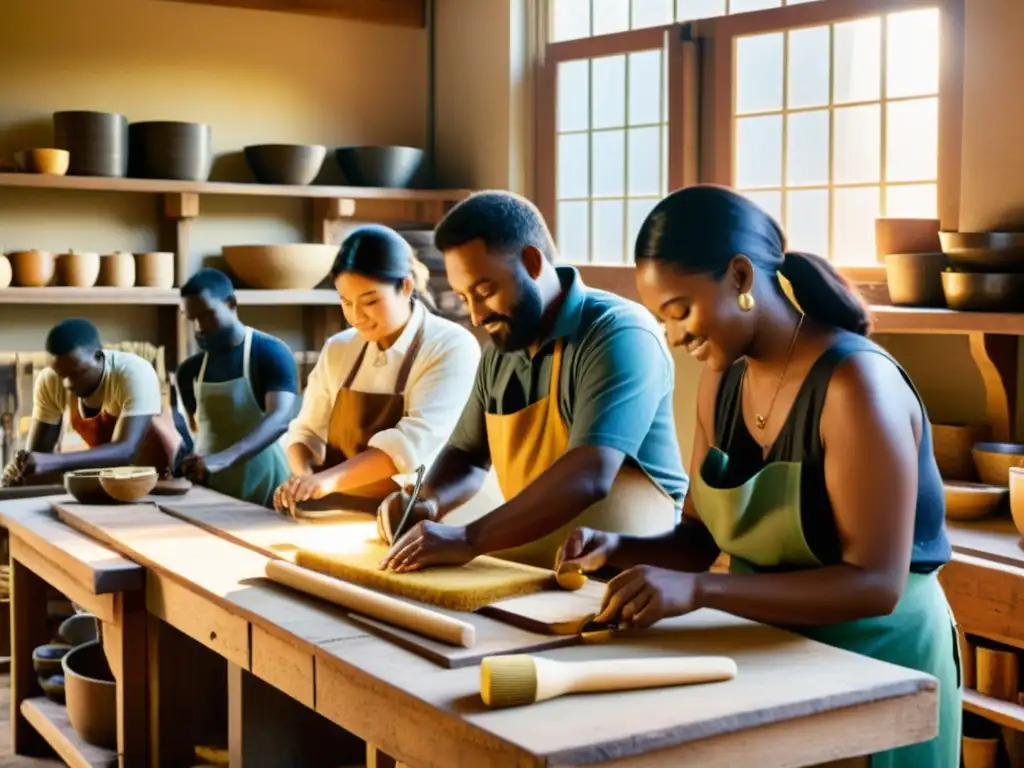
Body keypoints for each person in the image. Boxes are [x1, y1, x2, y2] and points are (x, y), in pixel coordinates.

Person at [558, 184, 960, 767]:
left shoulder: (853, 386)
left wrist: (699, 592)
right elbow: (697, 539)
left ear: (741, 278)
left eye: (680, 311)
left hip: (882, 664)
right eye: (662, 319)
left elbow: (874, 584)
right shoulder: (724, 381)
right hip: (770, 651)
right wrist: (616, 549)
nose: (674, 338)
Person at [377, 190, 690, 572]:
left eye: (485, 291)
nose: (475, 316)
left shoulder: (619, 332)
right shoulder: (500, 352)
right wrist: (427, 502)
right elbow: (467, 456)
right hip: (533, 572)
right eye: (463, 298)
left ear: (532, 262)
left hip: (630, 578)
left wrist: (468, 538)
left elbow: (590, 474)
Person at [273, 224, 481, 515]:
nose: (357, 316)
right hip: (335, 511)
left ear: (406, 287)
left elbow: (409, 445)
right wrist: (304, 477)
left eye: (371, 301)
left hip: (410, 517)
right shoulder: (339, 348)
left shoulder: (450, 345)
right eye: (346, 302)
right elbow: (305, 430)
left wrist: (326, 481)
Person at [1, 318, 183, 486]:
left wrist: (55, 461)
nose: (68, 384)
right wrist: (22, 469)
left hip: (163, 479)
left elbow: (125, 451)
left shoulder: (134, 373)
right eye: (61, 375)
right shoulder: (50, 380)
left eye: (77, 372)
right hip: (113, 481)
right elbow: (39, 456)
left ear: (98, 356)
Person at [175, 268, 298, 507]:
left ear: (230, 303)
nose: (200, 327)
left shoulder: (270, 353)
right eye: (193, 319)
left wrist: (224, 458)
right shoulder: (189, 371)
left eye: (208, 315)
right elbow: (196, 430)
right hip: (212, 490)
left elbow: (281, 417)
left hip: (266, 491)